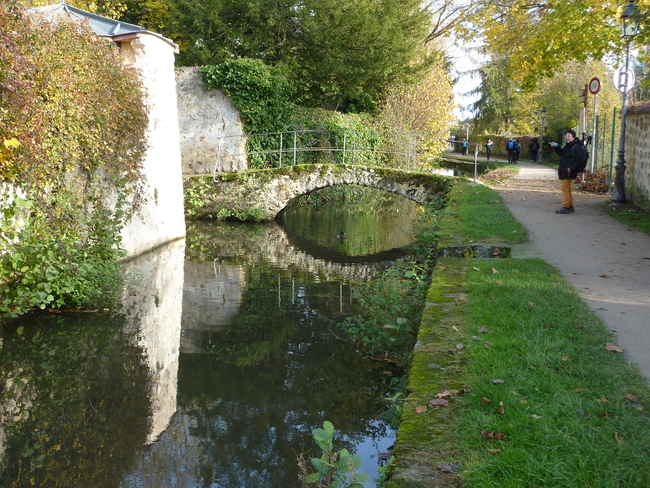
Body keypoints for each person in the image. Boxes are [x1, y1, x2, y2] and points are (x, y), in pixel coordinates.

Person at [550, 129, 587, 214]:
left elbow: (580, 160)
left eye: (569, 136)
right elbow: (562, 154)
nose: (567, 137)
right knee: (566, 188)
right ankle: (569, 206)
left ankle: (566, 206)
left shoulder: (576, 147)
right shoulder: (569, 146)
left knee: (565, 187)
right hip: (565, 169)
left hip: (569, 170)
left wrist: (571, 168)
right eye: (566, 136)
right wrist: (556, 146)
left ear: (573, 137)